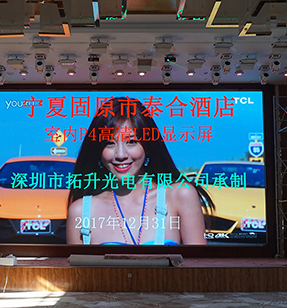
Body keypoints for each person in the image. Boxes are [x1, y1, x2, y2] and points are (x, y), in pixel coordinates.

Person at [66, 97, 212, 245]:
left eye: (131, 142)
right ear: (98, 150)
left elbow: (198, 260)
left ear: (147, 146)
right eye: (109, 143)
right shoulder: (81, 211)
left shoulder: (180, 195)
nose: (121, 155)